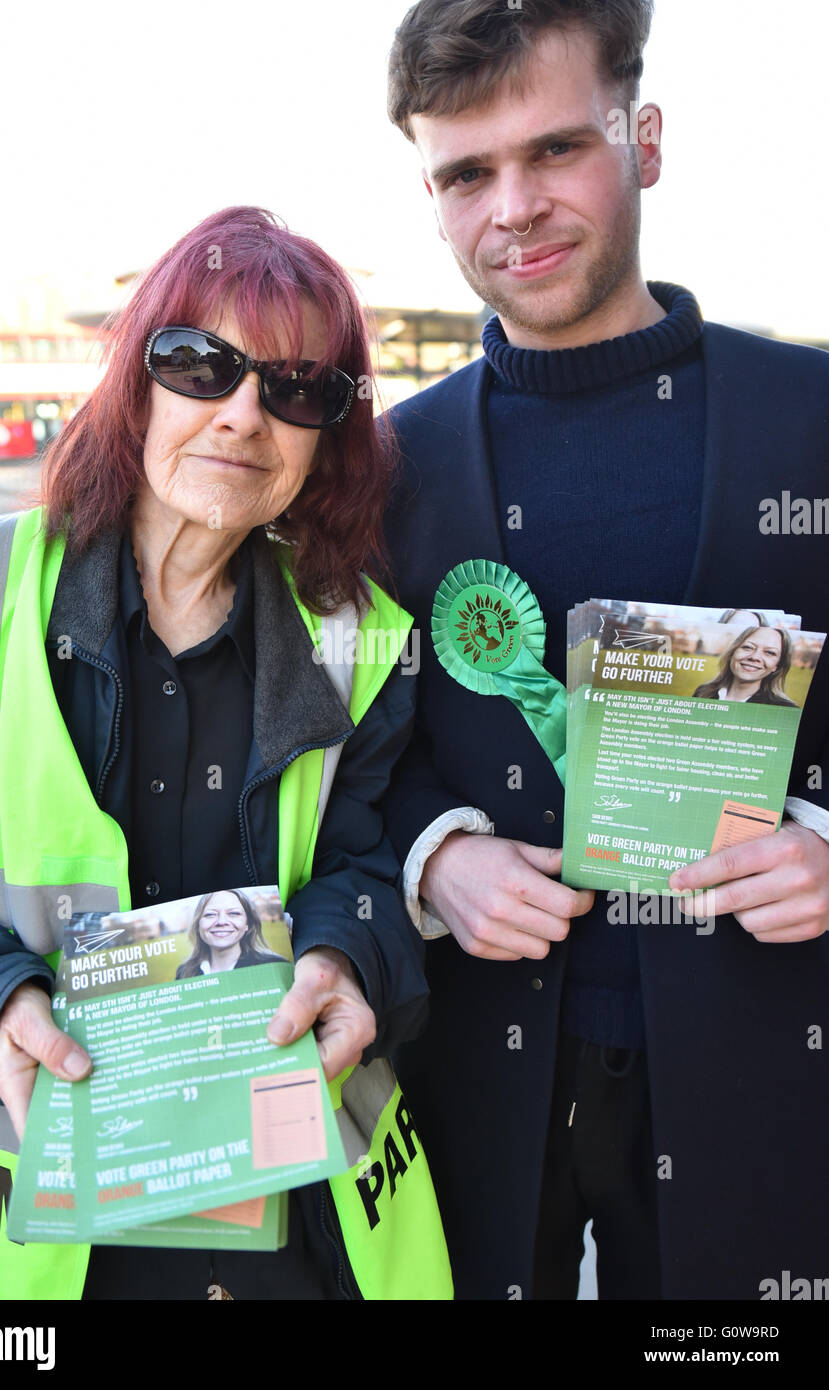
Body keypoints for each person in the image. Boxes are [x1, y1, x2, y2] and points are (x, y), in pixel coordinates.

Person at [0, 206, 451, 1301]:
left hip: (296, 1233)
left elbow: (366, 867)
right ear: (136, 380)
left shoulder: (367, 642)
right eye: (200, 363)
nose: (245, 413)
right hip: (32, 1248)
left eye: (299, 389)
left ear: (326, 436)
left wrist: (348, 958)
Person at [381, 0, 829, 1300]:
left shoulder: (810, 422)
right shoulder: (382, 466)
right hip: (473, 1089)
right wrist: (434, 855)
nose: (510, 206)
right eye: (466, 172)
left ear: (643, 139)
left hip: (760, 1089)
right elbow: (336, 756)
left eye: (554, 150)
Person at [174, 889, 288, 975]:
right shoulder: (184, 972)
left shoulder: (274, 966)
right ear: (198, 925)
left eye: (234, 913)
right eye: (210, 914)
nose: (221, 922)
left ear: (247, 924)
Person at [693, 626, 798, 705]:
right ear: (732, 652)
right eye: (748, 647)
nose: (755, 657)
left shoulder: (785, 709)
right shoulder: (703, 692)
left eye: (769, 652)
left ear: (777, 666)